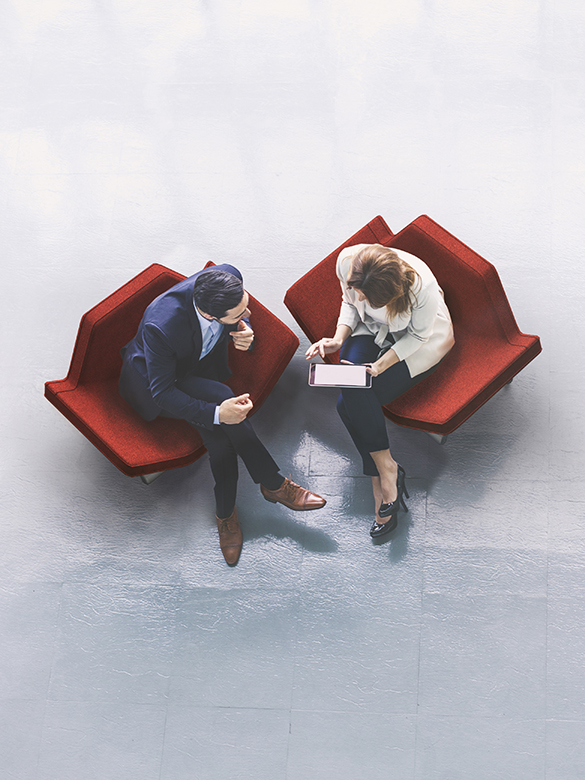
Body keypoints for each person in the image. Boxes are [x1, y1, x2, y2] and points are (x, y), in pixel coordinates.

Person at [119, 264, 326, 565]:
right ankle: (271, 484)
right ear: (209, 315)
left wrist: (245, 334)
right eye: (238, 315)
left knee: (219, 443)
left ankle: (228, 514)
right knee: (222, 405)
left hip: (198, 365)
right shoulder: (162, 326)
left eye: (245, 304)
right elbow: (162, 393)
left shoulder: (228, 276)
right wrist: (218, 414)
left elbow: (244, 320)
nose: (247, 314)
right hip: (161, 381)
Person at [306, 244, 454, 538]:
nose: (359, 296)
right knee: (352, 392)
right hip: (370, 329)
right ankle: (386, 470)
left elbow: (417, 336)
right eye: (358, 289)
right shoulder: (348, 262)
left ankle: (380, 474)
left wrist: (381, 365)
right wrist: (338, 338)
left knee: (347, 405)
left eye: (366, 295)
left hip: (416, 343)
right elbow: (349, 303)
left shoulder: (421, 288)